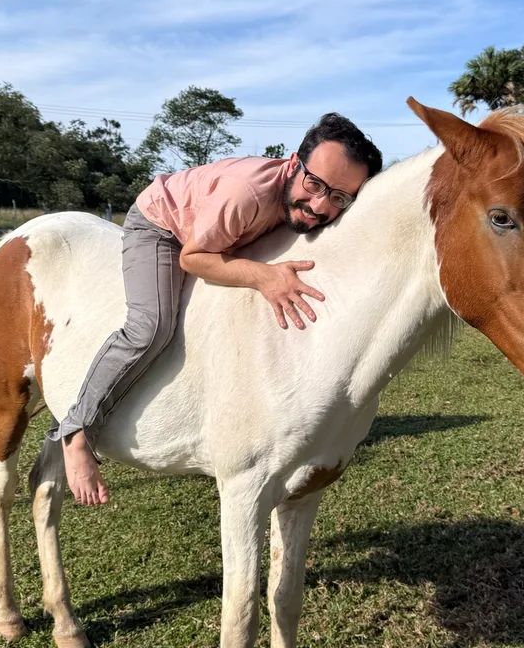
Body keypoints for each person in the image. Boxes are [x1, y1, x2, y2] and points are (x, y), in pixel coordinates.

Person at [50, 112, 383, 504]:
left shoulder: (306, 204)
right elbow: (194, 257)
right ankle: (76, 432)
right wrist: (263, 277)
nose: (318, 205)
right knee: (150, 327)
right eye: (314, 184)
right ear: (294, 164)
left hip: (218, 230)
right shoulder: (250, 194)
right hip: (164, 226)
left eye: (339, 197)